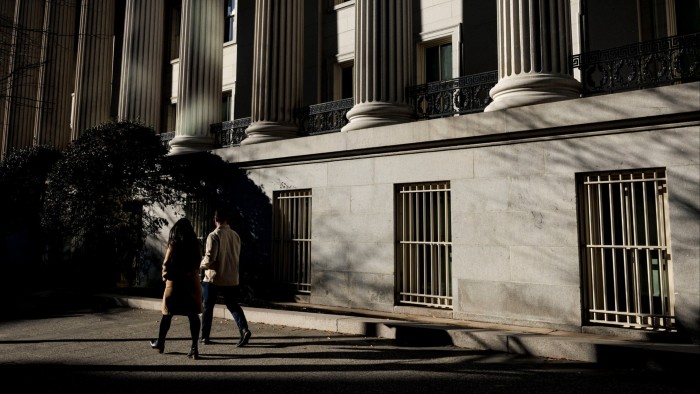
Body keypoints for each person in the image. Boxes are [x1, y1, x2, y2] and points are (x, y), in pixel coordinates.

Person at [150, 218, 203, 360]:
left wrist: (166, 277)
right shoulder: (196, 244)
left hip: (175, 283)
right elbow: (199, 262)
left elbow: (166, 264)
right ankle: (194, 348)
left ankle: (160, 342)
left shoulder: (174, 244)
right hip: (192, 284)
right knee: (193, 316)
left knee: (167, 315)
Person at [200, 208, 251, 347]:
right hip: (231, 278)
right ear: (227, 220)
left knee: (207, 307)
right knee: (233, 305)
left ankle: (204, 336)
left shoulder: (214, 235)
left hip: (214, 278)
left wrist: (201, 264)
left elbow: (210, 258)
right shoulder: (235, 235)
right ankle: (244, 329)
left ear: (215, 219)